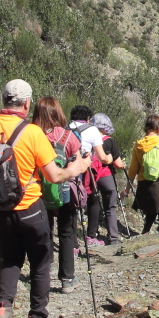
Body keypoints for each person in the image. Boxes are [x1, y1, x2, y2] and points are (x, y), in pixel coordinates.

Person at [0, 80, 91, 318]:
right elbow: (55, 175)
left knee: (10, 259)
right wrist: (75, 169)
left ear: (3, 99)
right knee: (40, 261)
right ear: (26, 104)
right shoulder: (32, 133)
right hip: (30, 208)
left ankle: (4, 307)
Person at [34, 97, 84, 295]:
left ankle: (43, 272)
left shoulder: (31, 134)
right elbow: (78, 166)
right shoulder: (68, 136)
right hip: (64, 191)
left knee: (44, 232)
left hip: (38, 192)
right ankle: (67, 279)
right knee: (66, 234)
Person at [69, 105, 114, 247]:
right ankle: (91, 236)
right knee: (93, 201)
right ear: (88, 118)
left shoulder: (67, 128)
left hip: (69, 171)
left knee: (73, 205)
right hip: (85, 171)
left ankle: (73, 241)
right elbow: (102, 157)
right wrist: (110, 158)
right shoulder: (92, 130)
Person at [87, 113, 125, 243]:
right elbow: (118, 164)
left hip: (91, 175)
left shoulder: (88, 138)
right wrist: (123, 165)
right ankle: (113, 237)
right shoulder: (109, 141)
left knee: (93, 205)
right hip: (106, 176)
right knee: (110, 207)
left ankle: (91, 235)